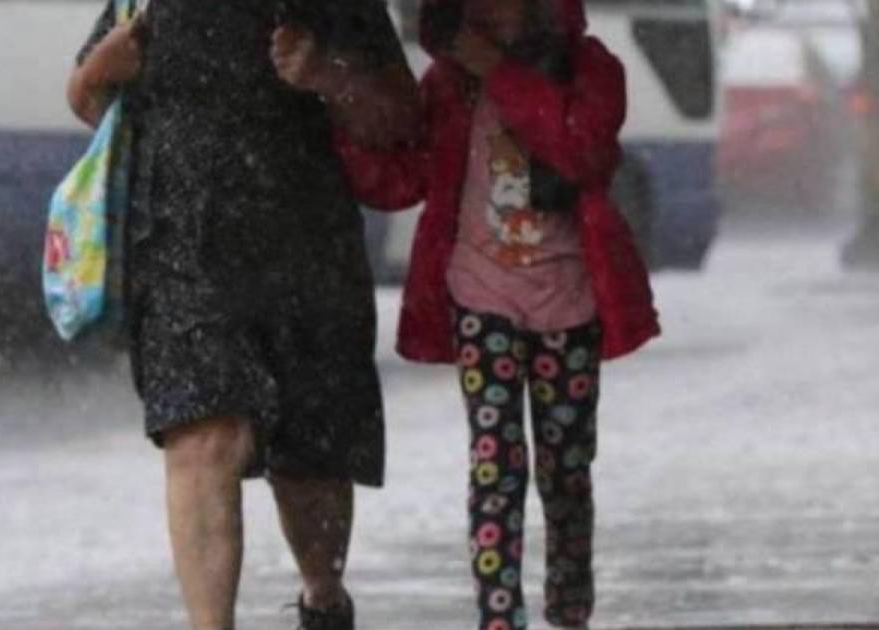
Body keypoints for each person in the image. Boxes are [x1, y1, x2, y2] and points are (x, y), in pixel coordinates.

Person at [297, 0, 661, 627]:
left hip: (569, 303)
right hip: (480, 299)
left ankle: (568, 600)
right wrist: (335, 111)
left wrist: (499, 71)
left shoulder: (592, 71)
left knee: (566, 467)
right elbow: (404, 177)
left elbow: (579, 152)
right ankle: (498, 615)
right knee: (495, 463)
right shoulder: (448, 86)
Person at [65, 2, 419, 628]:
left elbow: (399, 118)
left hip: (308, 250)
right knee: (203, 436)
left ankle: (323, 601)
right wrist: (98, 71)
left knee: (311, 462)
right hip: (180, 247)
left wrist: (328, 76)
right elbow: (90, 100)